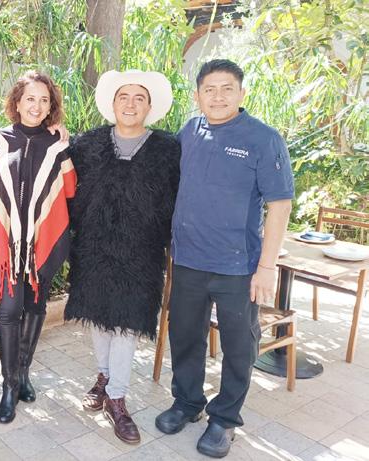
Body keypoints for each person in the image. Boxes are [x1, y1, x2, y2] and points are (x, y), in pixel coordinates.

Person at [155, 59, 294, 458]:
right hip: (188, 261)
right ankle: (187, 402)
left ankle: (225, 418)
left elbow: (280, 205)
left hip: (238, 266)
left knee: (238, 345)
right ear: (197, 95)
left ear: (241, 93)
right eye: (209, 90)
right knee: (185, 336)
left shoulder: (263, 138)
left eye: (226, 88)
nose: (217, 97)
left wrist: (266, 267)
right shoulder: (190, 131)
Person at [64, 70, 181, 444]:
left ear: (149, 106)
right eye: (123, 97)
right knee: (99, 317)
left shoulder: (169, 150)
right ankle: (103, 376)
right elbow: (67, 186)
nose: (130, 104)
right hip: (94, 249)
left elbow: (179, 201)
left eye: (139, 98)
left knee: (128, 325)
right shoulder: (88, 144)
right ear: (112, 104)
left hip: (142, 254)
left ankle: (117, 397)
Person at [0, 70, 77, 423]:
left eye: (44, 100)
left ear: (51, 107)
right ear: (17, 103)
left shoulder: (58, 146)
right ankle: (8, 386)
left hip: (40, 244)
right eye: (30, 99)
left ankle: (22, 373)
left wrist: (66, 142)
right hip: (7, 245)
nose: (36, 106)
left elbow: (68, 190)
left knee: (35, 307)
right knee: (8, 311)